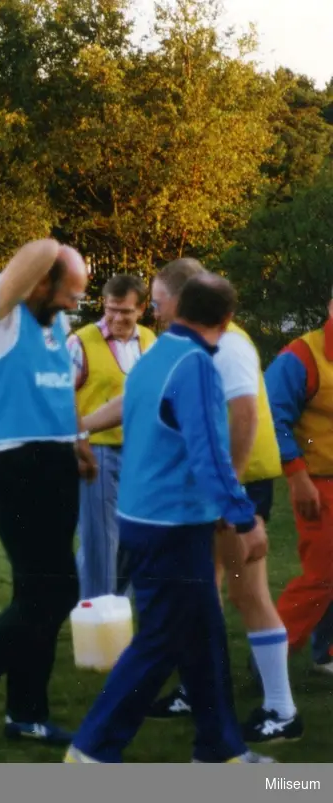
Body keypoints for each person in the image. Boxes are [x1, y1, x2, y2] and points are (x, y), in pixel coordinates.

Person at [83, 258, 302, 744]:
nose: (154, 313)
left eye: (158, 303)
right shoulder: (181, 345)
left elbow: (243, 417)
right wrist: (83, 425)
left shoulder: (229, 346)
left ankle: (281, 709)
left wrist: (234, 502)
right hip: (210, 494)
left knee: (246, 594)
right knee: (201, 598)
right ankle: (203, 712)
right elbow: (138, 398)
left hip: (234, 486)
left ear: (181, 301)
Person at [0, 239, 97, 745]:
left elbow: (60, 388)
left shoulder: (56, 323)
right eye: (70, 291)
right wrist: (57, 248)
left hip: (55, 460)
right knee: (55, 590)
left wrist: (78, 441)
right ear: (42, 280)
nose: (75, 304)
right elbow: (36, 253)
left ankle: (27, 714)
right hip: (15, 464)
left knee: (40, 594)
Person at [66, 274, 155, 600]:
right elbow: (60, 398)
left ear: (142, 309)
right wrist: (77, 442)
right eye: (110, 310)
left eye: (126, 312)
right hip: (96, 453)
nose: (117, 318)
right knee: (102, 541)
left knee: (135, 536)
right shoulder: (79, 343)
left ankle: (101, 604)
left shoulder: (150, 341)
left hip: (140, 454)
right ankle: (98, 618)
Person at [263, 288, 333, 677]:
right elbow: (272, 416)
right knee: (321, 576)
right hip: (319, 481)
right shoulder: (302, 356)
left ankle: (327, 652)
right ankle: (270, 659)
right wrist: (297, 478)